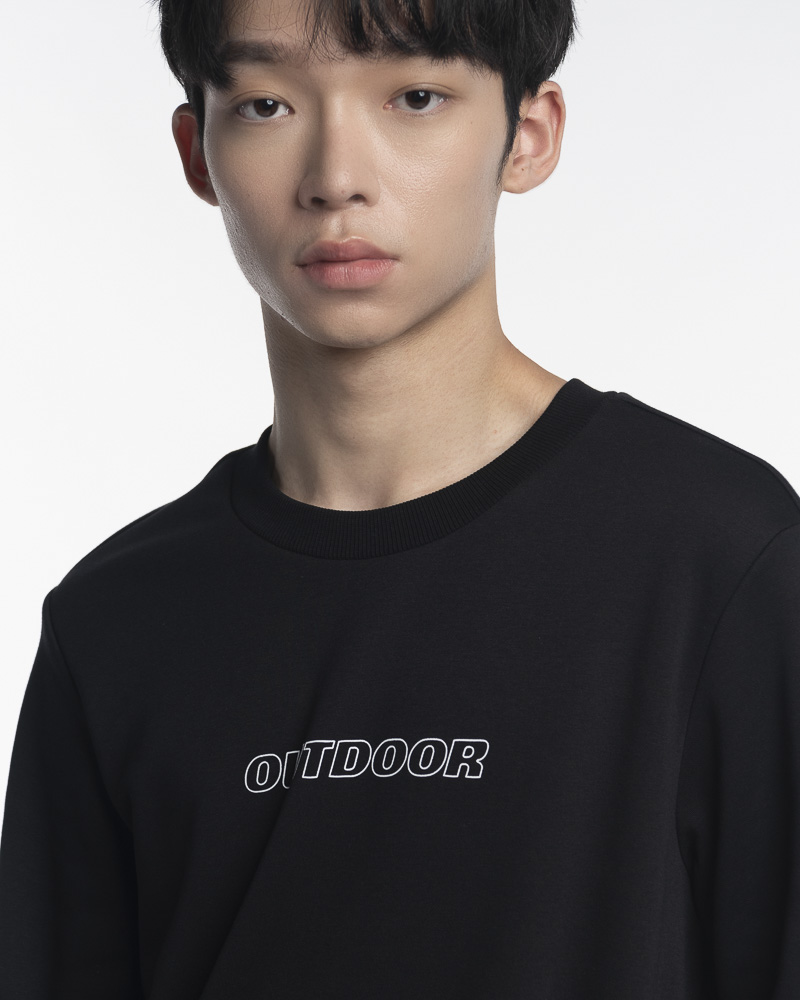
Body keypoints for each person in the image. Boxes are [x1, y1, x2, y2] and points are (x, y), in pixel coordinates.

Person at [1, 0, 798, 996]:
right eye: (266, 105)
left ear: (528, 134)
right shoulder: (114, 622)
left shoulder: (719, 559)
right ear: (197, 153)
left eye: (415, 97)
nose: (336, 178)